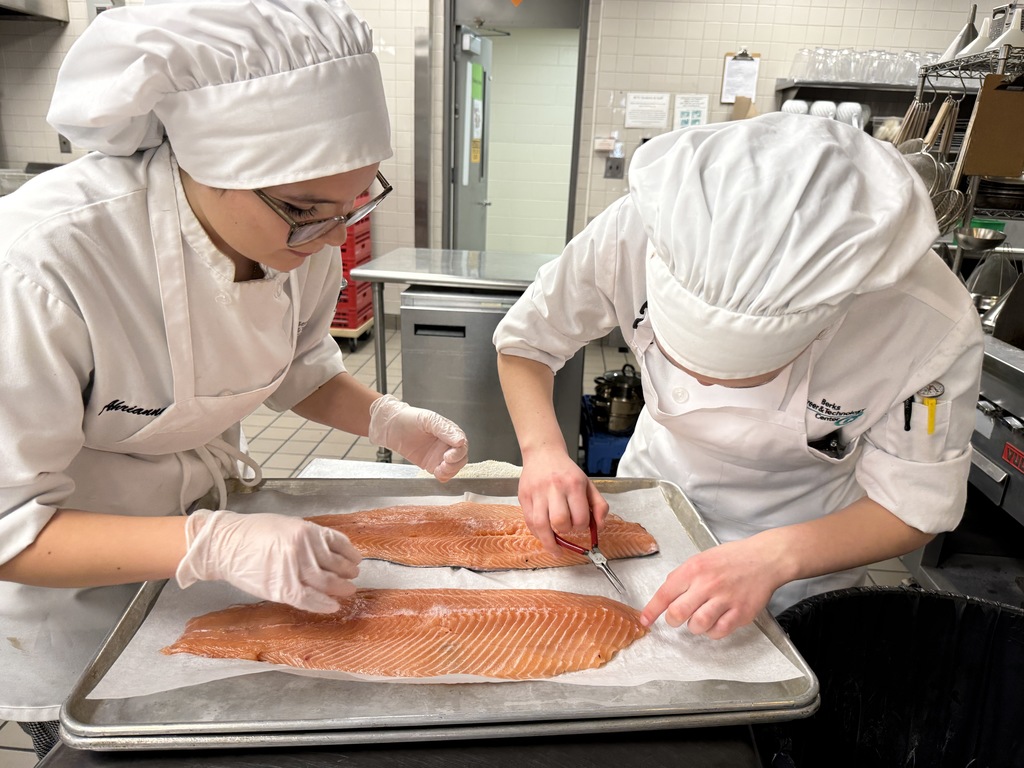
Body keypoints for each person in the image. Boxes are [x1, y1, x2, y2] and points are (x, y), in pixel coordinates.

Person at [0, 0, 468, 758]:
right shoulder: (41, 265)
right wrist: (214, 544)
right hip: (67, 608)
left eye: (355, 201)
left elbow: (292, 368)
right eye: (305, 210)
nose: (330, 237)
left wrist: (385, 418)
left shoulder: (304, 241)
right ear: (207, 166)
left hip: (204, 571)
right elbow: (9, 529)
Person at [494, 112, 983, 641]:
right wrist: (543, 452)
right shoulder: (639, 226)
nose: (710, 384)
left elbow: (914, 506)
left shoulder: (928, 319)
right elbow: (527, 344)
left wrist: (775, 557)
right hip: (650, 505)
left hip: (804, 556)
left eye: (745, 371)